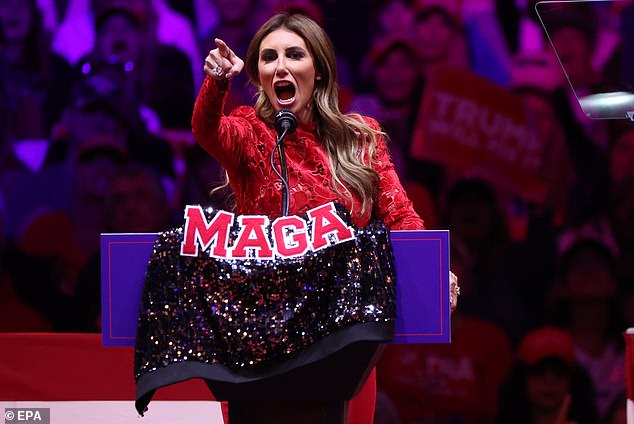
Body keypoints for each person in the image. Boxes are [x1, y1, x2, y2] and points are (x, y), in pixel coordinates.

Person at [134, 11, 457, 424]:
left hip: (341, 346)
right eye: (269, 58)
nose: (280, 66)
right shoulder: (250, 132)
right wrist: (217, 83)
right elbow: (207, 129)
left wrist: (432, 271)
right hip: (262, 345)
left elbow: (400, 215)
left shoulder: (360, 137)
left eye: (293, 54)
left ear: (319, 70)